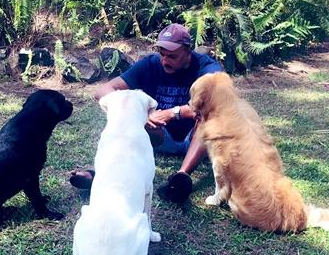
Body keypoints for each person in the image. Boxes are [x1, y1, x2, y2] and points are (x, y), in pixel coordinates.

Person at [70, 23, 223, 202]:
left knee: (212, 117)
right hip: (158, 135)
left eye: (172, 56)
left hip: (196, 138)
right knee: (128, 117)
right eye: (162, 54)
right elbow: (102, 91)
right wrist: (138, 113)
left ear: (188, 52)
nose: (165, 60)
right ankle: (100, 174)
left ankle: (181, 178)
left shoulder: (206, 68)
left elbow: (216, 102)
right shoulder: (149, 64)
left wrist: (173, 113)